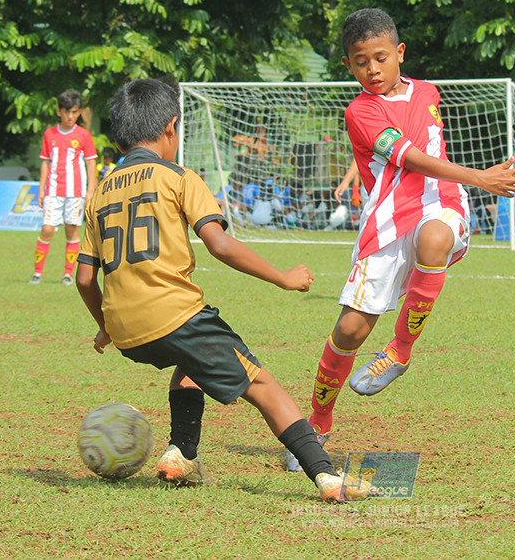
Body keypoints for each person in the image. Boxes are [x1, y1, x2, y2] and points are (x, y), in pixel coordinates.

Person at [75, 77, 365, 502]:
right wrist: (283, 277)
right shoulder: (178, 177)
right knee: (263, 387)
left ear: (118, 137)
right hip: (173, 314)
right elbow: (220, 245)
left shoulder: (98, 193)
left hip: (126, 331)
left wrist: (106, 326)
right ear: (171, 127)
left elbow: (85, 279)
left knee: (190, 359)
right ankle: (328, 477)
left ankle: (181, 454)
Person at [285, 7, 515, 471]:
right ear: (348, 65)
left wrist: (468, 183)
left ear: (400, 52)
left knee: (436, 238)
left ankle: (399, 351)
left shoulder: (428, 92)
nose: (372, 69)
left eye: (380, 57)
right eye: (360, 61)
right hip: (387, 220)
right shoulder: (360, 111)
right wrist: (481, 177)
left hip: (441, 203)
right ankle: (317, 424)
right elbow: (410, 157)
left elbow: (428, 158)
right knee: (350, 330)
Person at [30, 90, 98, 285]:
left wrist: (90, 192)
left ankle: (68, 273)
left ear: (79, 112)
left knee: (72, 230)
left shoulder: (83, 135)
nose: (70, 116)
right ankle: (37, 272)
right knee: (47, 229)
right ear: (59, 111)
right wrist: (41, 189)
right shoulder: (50, 133)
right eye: (67, 112)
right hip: (53, 191)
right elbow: (45, 162)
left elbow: (91, 163)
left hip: (75, 193)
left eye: (74, 112)